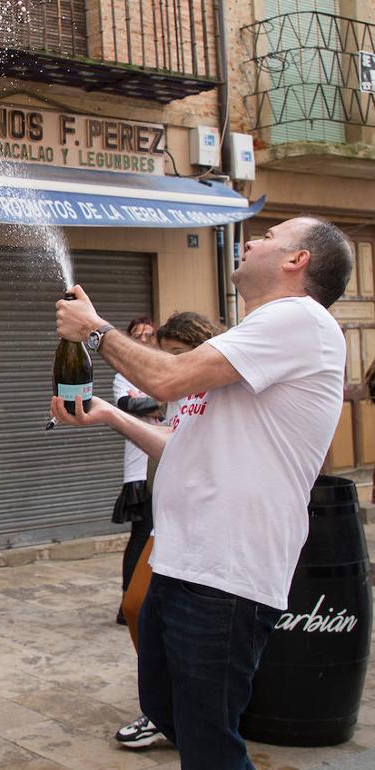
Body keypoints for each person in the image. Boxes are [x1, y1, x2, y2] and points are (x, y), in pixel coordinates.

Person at [51, 216, 353, 769]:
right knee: (169, 711)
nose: (253, 239)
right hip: (182, 561)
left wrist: (95, 331)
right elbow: (179, 445)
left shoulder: (299, 320)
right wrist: (109, 413)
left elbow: (165, 380)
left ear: (297, 260)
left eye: (269, 236)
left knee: (209, 742)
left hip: (226, 573)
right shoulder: (255, 335)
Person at [112, 311, 224, 752]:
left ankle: (176, 711)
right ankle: (163, 706)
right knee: (138, 606)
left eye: (179, 355)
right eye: (166, 354)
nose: (172, 365)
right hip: (169, 520)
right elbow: (170, 435)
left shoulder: (224, 386)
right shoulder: (182, 395)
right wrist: (107, 413)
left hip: (207, 529)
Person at [111, 316, 158, 626]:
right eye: (136, 335)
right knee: (140, 537)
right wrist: (157, 402)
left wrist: (154, 404)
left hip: (166, 468)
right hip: (139, 471)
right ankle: (128, 603)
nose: (143, 340)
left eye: (149, 335)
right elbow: (126, 407)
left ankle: (150, 599)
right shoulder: (123, 375)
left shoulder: (163, 368)